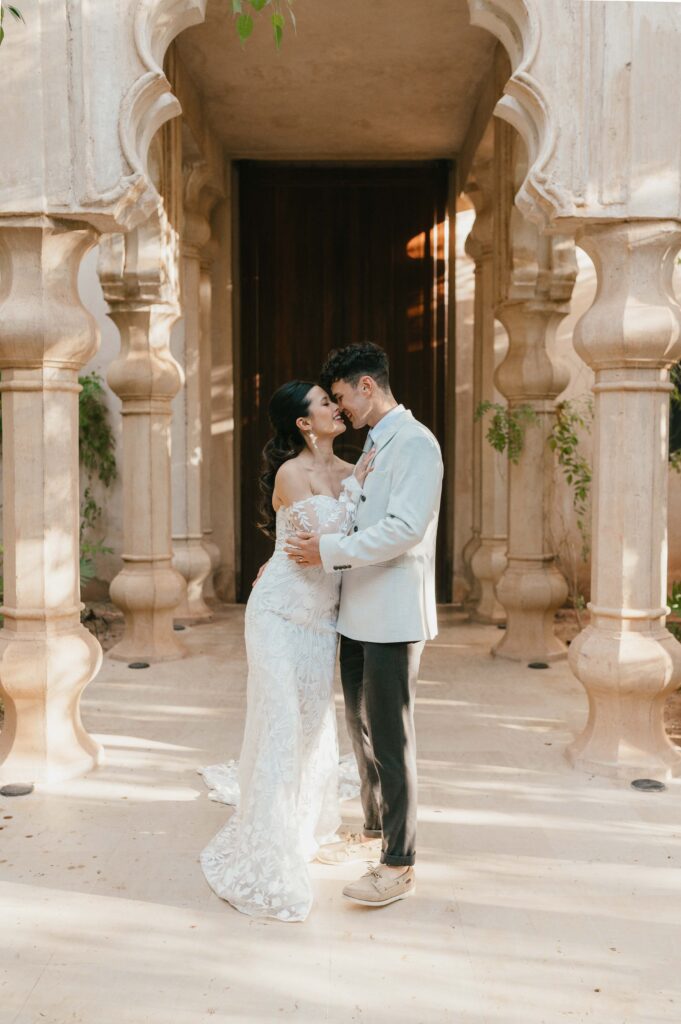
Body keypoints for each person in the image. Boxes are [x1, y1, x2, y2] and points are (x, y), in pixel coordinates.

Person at [200, 380, 374, 922]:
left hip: (320, 623)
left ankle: (303, 820)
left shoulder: (352, 472)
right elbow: (316, 547)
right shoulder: (292, 473)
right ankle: (273, 851)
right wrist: (355, 500)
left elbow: (338, 547)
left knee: (311, 724)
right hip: (277, 613)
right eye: (325, 402)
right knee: (280, 722)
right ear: (303, 423)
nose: (335, 407)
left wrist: (360, 487)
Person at [285, 343, 443, 907]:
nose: (342, 407)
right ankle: (374, 830)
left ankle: (399, 862)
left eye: (344, 395)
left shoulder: (417, 444)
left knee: (392, 740)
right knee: (363, 729)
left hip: (393, 615)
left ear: (368, 387)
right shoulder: (377, 441)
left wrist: (328, 550)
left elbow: (403, 528)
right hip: (357, 608)